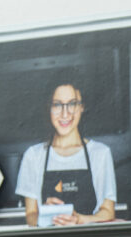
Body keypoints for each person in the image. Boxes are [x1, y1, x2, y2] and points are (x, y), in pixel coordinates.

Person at [15, 82, 117, 226]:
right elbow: (31, 215)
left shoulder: (100, 153)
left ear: (82, 107)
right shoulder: (33, 156)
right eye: (57, 105)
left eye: (72, 104)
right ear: (49, 108)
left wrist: (79, 220)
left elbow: (108, 211)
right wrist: (46, 214)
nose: (65, 113)